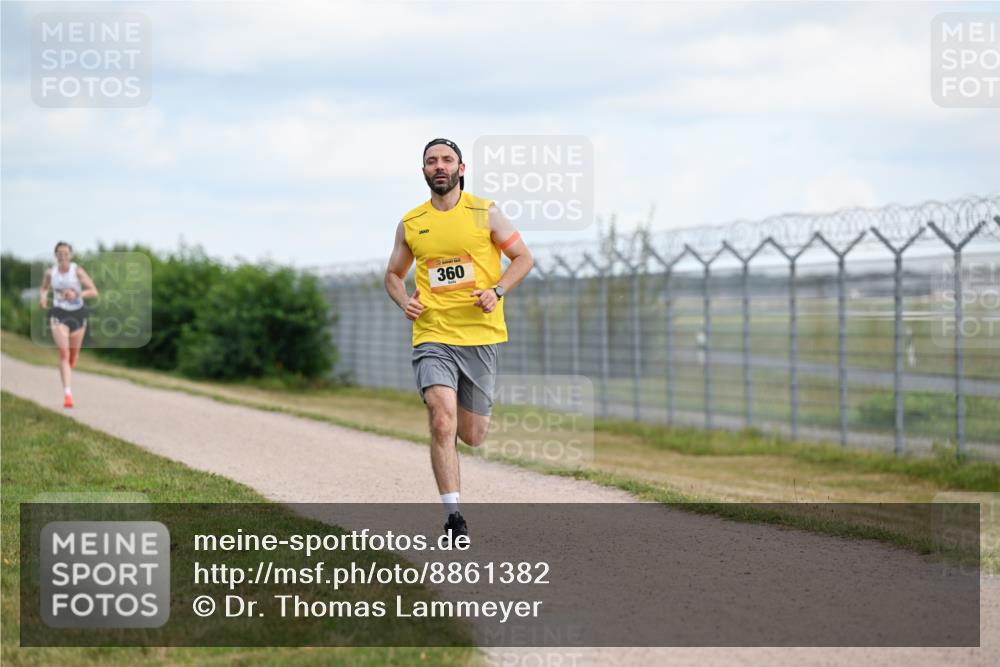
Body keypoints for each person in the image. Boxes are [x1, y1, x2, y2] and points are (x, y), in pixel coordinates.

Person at [384, 138, 533, 537]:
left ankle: (465, 434)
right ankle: (454, 516)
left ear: (461, 169)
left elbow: (524, 258)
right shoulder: (412, 223)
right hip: (432, 333)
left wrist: (497, 290)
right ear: (424, 172)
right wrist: (405, 302)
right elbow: (393, 275)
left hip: (480, 336)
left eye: (447, 159)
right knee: (442, 417)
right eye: (432, 161)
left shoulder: (486, 213)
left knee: (472, 435)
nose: (440, 166)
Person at [38, 241, 98, 408]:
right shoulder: (50, 273)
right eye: (60, 253)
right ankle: (67, 394)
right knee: (64, 353)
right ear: (55, 255)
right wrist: (43, 298)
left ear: (70, 255)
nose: (63, 256)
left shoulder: (77, 271)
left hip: (78, 313)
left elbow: (93, 291)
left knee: (72, 355)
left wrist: (76, 293)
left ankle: (72, 362)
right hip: (59, 312)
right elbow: (44, 288)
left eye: (66, 253)